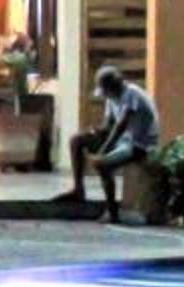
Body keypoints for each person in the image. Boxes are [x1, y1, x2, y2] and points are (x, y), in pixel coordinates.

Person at [65, 67, 159, 221]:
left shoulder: (132, 94)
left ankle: (112, 210)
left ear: (115, 86)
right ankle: (78, 189)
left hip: (138, 144)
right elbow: (109, 124)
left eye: (107, 91)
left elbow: (121, 126)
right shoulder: (111, 98)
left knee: (102, 164)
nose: (106, 95)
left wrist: (102, 151)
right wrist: (95, 133)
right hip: (121, 141)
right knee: (76, 140)